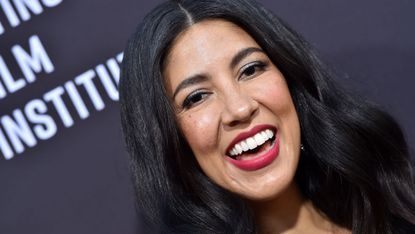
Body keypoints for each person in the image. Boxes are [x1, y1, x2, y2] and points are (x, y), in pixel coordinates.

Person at [119, 0, 415, 233]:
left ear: (289, 75)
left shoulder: (398, 206)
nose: (239, 108)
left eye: (250, 70)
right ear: (169, 138)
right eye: (196, 97)